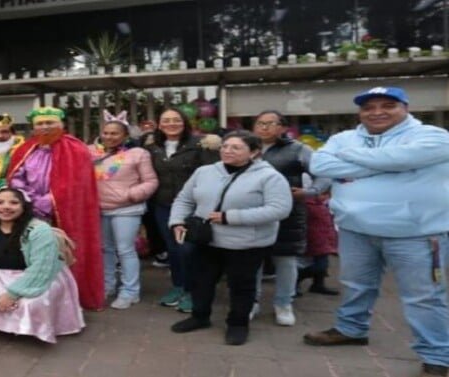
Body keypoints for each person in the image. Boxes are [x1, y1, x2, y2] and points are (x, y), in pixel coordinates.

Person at [303, 87, 449, 377]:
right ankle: (351, 329)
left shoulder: (433, 136)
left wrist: (351, 163)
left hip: (415, 233)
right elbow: (319, 163)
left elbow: (401, 159)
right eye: (369, 107)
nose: (377, 112)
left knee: (423, 297)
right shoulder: (344, 137)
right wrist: (393, 165)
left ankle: (438, 355)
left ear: (405, 107)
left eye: (388, 105)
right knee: (356, 284)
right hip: (355, 229)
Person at [169, 130, 292, 346]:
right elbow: (184, 199)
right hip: (206, 239)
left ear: (254, 152)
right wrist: (177, 221)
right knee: (201, 281)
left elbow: (280, 209)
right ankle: (200, 316)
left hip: (246, 243)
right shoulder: (204, 172)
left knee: (241, 286)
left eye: (236, 147)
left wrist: (231, 217)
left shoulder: (269, 176)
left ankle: (238, 324)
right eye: (225, 146)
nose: (227, 151)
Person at [6, 106, 103, 310]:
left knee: (63, 253)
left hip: (63, 211)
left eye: (50, 123)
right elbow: (16, 177)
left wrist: (49, 200)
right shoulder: (24, 149)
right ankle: (32, 294)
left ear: (61, 125)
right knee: (33, 253)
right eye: (40, 124)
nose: (45, 127)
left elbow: (78, 182)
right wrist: (29, 199)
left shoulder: (76, 148)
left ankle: (67, 299)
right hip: (28, 209)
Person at [0, 188, 85, 343]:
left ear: (24, 206)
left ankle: (37, 329)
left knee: (30, 304)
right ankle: (8, 326)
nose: (6, 207)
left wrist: (12, 294)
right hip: (1, 275)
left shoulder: (39, 230)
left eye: (13, 202)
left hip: (41, 275)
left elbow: (42, 267)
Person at [251, 110, 330, 326]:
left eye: (270, 123)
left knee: (285, 260)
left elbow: (323, 174)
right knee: (252, 259)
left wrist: (310, 192)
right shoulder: (247, 146)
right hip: (251, 212)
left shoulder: (298, 149)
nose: (264, 128)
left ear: (283, 128)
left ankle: (284, 303)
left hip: (288, 212)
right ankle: (251, 301)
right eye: (260, 123)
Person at [141, 107, 220, 313]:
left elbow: (213, 174)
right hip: (163, 205)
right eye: (166, 120)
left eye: (176, 120)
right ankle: (178, 286)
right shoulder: (153, 146)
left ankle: (194, 290)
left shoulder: (201, 145)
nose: (171, 124)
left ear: (184, 122)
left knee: (189, 249)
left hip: (192, 206)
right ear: (159, 124)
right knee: (173, 249)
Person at [89, 111, 158, 309]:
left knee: (125, 250)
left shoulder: (138, 154)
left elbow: (151, 181)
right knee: (105, 250)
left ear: (125, 136)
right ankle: (106, 285)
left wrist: (132, 195)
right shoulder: (91, 153)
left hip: (126, 210)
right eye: (106, 132)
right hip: (100, 209)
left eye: (115, 133)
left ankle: (130, 291)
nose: (109, 137)